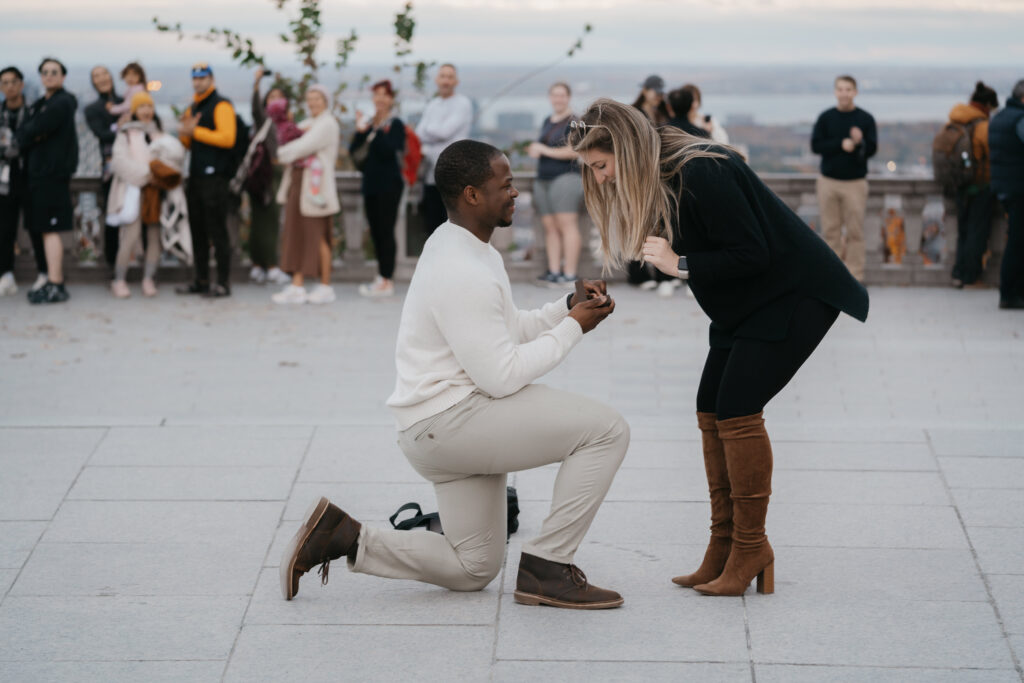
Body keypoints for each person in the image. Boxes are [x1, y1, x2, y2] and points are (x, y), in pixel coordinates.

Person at [280, 139, 629, 610]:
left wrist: (566, 308)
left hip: (436, 427)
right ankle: (548, 565)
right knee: (606, 431)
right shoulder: (461, 267)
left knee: (473, 568)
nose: (515, 194)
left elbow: (505, 331)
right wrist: (573, 329)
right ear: (470, 194)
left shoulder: (465, 247)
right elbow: (501, 377)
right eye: (504, 185)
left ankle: (346, 538)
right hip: (451, 424)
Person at [568, 99, 869, 596]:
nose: (599, 179)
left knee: (736, 409)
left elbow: (751, 252)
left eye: (600, 166)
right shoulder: (661, 173)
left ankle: (751, 548)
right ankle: (724, 546)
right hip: (747, 303)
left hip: (796, 295)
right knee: (710, 406)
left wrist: (679, 262)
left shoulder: (702, 170)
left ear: (623, 148)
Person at [15, 58, 78, 305]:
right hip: (40, 175)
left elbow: (32, 129)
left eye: (54, 72)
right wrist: (32, 133)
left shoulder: (62, 103)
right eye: (45, 72)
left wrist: (33, 133)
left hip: (52, 175)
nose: (49, 76)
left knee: (51, 229)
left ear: (63, 77)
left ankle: (56, 283)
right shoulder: (43, 103)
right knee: (43, 229)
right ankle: (52, 279)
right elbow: (26, 132)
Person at [271, 84, 340, 305]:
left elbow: (299, 147)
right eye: (309, 99)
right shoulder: (309, 123)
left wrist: (283, 153)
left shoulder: (327, 124)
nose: (312, 103)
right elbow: (288, 139)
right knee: (297, 234)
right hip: (300, 184)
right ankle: (297, 284)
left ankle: (325, 285)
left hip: (316, 189)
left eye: (317, 98)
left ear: (325, 101)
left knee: (318, 236)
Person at [176, 62, 237, 298]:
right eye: (195, 78)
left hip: (216, 179)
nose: (198, 82)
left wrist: (196, 131)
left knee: (217, 232)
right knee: (197, 231)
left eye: (202, 78)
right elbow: (189, 144)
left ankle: (223, 282)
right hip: (197, 177)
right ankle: (201, 280)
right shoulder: (194, 107)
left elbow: (228, 138)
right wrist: (185, 132)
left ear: (211, 78)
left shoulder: (221, 105)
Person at [811, 75, 878, 282]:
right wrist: (841, 144)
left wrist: (860, 142)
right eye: (840, 89)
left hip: (855, 184)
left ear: (855, 92)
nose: (844, 93)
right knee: (831, 232)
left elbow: (873, 149)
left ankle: (855, 278)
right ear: (835, 92)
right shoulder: (826, 117)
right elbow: (816, 146)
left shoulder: (865, 119)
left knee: (855, 233)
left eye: (848, 89)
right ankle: (834, 278)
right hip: (828, 182)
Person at [105, 91, 165, 298]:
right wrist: (150, 175)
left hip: (155, 193)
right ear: (134, 110)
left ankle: (148, 278)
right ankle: (119, 279)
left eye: (149, 106)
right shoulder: (125, 134)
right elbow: (119, 163)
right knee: (130, 235)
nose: (146, 111)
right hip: (133, 190)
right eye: (141, 107)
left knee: (154, 235)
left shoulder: (158, 133)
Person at [350, 79, 405, 298]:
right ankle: (381, 276)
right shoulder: (369, 124)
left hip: (389, 185)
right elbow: (354, 150)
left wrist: (377, 129)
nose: (380, 99)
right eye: (377, 94)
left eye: (385, 95)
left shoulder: (396, 124)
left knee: (386, 230)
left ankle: (387, 278)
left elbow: (390, 150)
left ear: (391, 99)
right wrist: (362, 130)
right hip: (370, 184)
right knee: (375, 231)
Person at [529, 82, 584, 288]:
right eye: (554, 95)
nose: (558, 99)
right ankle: (554, 270)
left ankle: (569, 273)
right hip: (544, 178)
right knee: (550, 227)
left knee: (567, 225)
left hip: (566, 178)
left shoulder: (575, 121)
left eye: (562, 95)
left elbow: (575, 150)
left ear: (568, 97)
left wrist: (543, 150)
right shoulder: (547, 120)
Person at [0, 66, 47, 297]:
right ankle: (6, 274)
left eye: (13, 82)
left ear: (21, 84)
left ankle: (44, 272)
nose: (9, 86)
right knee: (4, 229)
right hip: (4, 180)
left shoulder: (33, 111)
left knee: (36, 226)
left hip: (30, 177)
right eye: (4, 83)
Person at [948, 82, 999, 289]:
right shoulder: (982, 126)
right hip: (979, 185)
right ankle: (971, 276)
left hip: (959, 185)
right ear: (987, 104)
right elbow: (992, 153)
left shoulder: (956, 120)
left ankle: (959, 273)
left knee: (963, 232)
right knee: (977, 232)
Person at [628, 74, 675, 294]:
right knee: (635, 222)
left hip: (658, 172)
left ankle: (661, 271)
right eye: (655, 92)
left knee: (659, 223)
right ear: (645, 90)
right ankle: (638, 273)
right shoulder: (634, 112)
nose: (658, 97)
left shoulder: (662, 112)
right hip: (638, 173)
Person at [415, 64, 472, 236]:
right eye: (442, 76)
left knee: (454, 228)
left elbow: (444, 132)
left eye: (449, 77)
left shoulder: (462, 103)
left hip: (454, 176)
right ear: (436, 79)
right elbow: (419, 134)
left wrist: (431, 131)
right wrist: (435, 132)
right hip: (431, 176)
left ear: (456, 81)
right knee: (432, 227)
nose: (446, 81)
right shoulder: (433, 104)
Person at [247, 67, 291, 287]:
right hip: (264, 174)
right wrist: (256, 84)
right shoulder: (264, 120)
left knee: (267, 221)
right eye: (271, 97)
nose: (276, 101)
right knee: (263, 221)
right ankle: (267, 265)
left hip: (272, 174)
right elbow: (255, 107)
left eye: (280, 97)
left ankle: (261, 265)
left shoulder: (287, 124)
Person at [83, 65, 123, 275]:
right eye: (96, 75)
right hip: (111, 168)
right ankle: (112, 266)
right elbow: (102, 134)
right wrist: (124, 127)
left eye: (104, 73)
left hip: (133, 165)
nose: (101, 78)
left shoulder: (125, 101)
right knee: (112, 219)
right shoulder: (92, 109)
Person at [990, 79, 1024, 310]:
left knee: (1015, 240)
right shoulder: (1020, 119)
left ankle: (1009, 291)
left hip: (1005, 188)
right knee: (1017, 243)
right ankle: (1011, 293)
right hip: (1019, 188)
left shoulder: (1000, 116)